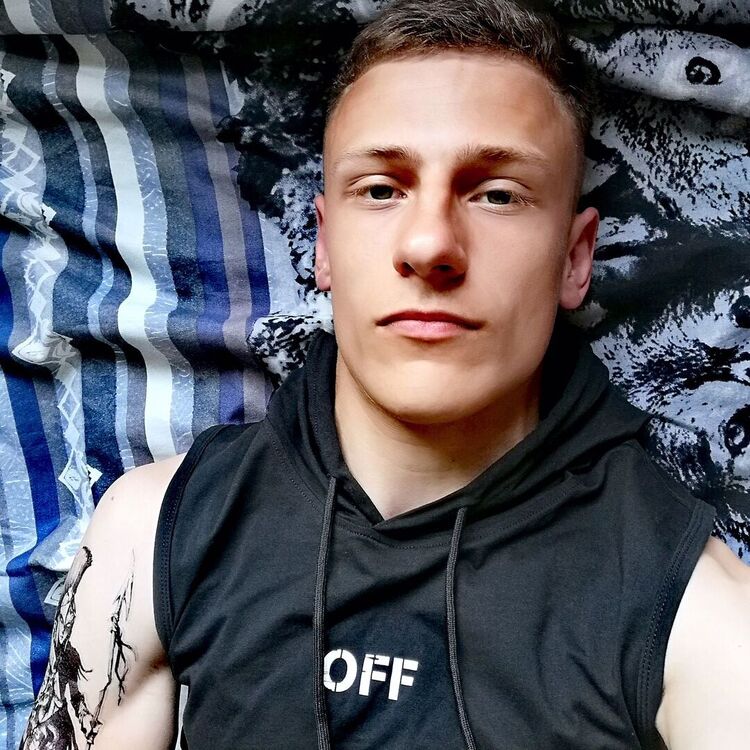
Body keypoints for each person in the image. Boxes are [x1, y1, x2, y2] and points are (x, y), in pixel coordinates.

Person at [20, 0, 750, 748]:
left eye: (498, 194)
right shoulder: (152, 534)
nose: (430, 244)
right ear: (324, 246)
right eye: (380, 189)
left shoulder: (698, 612)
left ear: (574, 259)